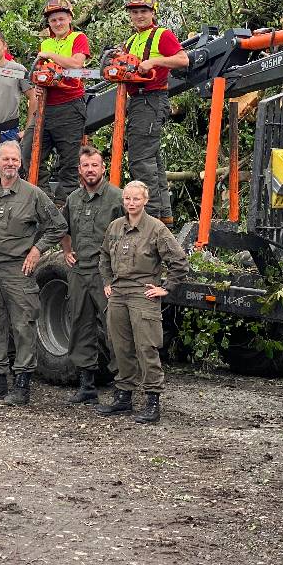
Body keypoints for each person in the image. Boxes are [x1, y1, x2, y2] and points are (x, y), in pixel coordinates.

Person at [0, 140, 66, 406]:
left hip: (18, 270)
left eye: (15, 160)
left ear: (20, 163)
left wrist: (37, 251)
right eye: (6, 159)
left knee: (23, 326)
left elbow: (57, 226)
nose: (10, 164)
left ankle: (22, 385)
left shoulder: (33, 195)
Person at [97, 181, 189, 423]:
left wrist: (165, 288)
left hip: (143, 293)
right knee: (119, 346)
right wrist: (107, 280)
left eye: (136, 199)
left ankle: (152, 401)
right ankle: (123, 397)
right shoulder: (115, 227)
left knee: (146, 347)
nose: (131, 203)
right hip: (118, 294)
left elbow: (179, 261)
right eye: (127, 199)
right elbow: (104, 255)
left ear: (145, 201)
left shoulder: (156, 229)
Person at [60, 146, 124, 405]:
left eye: (95, 165)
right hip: (79, 271)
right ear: (79, 169)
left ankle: (123, 387)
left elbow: (131, 231)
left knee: (114, 328)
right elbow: (62, 227)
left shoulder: (117, 198)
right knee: (80, 325)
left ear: (103, 168)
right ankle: (86, 386)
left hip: (105, 274)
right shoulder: (73, 199)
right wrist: (66, 250)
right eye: (86, 166)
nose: (90, 170)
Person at [121, 0, 190, 224]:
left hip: (152, 98)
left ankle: (150, 218)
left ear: (152, 12)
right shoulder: (130, 41)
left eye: (143, 11)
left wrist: (154, 61)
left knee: (141, 160)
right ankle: (164, 217)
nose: (139, 15)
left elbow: (183, 59)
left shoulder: (163, 35)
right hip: (137, 100)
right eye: (135, 11)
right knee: (153, 160)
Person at [20, 0, 90, 205]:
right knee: (28, 152)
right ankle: (43, 199)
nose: (57, 24)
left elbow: (77, 64)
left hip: (69, 106)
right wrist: (39, 87)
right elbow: (41, 73)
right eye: (53, 21)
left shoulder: (78, 38)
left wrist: (50, 55)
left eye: (61, 19)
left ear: (69, 18)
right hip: (45, 107)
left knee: (69, 161)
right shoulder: (46, 42)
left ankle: (64, 205)